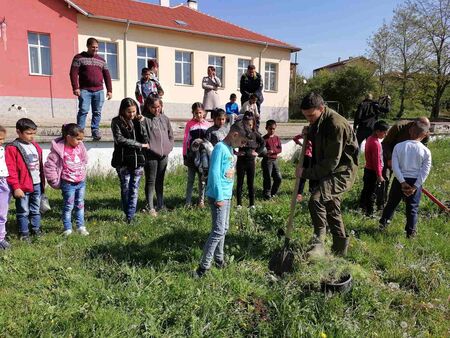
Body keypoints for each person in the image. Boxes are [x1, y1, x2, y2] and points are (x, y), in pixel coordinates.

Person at [297, 93, 358, 258]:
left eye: (311, 115)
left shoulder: (335, 124)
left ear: (321, 108)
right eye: (306, 116)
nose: (309, 119)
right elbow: (321, 139)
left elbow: (332, 161)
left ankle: (319, 244)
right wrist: (309, 132)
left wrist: (307, 173)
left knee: (316, 199)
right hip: (330, 169)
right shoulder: (319, 121)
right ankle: (340, 252)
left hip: (342, 171)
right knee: (331, 207)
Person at [194, 123, 248, 278]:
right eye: (242, 142)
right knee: (217, 231)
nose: (242, 145)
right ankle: (203, 267)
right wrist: (218, 197)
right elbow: (215, 174)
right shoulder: (219, 148)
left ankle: (219, 259)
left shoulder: (230, 149)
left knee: (223, 228)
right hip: (219, 196)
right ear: (234, 135)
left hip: (226, 194)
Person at [379, 121, 432, 238]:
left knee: (392, 203)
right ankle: (410, 232)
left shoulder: (399, 146)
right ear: (424, 135)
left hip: (399, 179)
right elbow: (425, 171)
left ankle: (383, 223)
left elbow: (395, 166)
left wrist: (402, 182)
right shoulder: (426, 151)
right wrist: (415, 186)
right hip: (415, 181)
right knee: (412, 207)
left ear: (410, 131)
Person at [44, 124, 89, 236]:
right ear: (68, 137)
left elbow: (84, 159)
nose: (80, 141)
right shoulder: (58, 150)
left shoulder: (80, 147)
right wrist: (54, 181)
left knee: (80, 204)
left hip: (81, 182)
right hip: (68, 184)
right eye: (78, 139)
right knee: (68, 206)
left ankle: (81, 226)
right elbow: (50, 166)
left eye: (81, 139)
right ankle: (67, 228)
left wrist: (82, 171)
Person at [5, 118, 45, 241]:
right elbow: (10, 170)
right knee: (23, 210)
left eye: (34, 133)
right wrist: (16, 187)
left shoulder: (35, 146)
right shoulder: (12, 148)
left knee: (36, 209)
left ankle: (35, 229)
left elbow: (39, 166)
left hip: (36, 184)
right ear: (18, 132)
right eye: (28, 133)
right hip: (22, 186)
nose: (32, 136)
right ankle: (24, 233)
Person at [378, 117, 431, 209]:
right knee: (385, 177)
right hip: (391, 154)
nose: (425, 131)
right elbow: (385, 144)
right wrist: (390, 159)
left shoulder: (425, 132)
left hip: (407, 160)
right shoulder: (399, 127)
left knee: (410, 179)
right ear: (414, 125)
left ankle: (406, 201)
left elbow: (422, 150)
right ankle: (381, 203)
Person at [111, 98, 149, 222]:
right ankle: (128, 213)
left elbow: (145, 139)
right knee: (126, 187)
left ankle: (130, 216)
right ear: (122, 111)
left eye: (134, 111)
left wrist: (142, 123)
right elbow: (120, 140)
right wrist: (139, 145)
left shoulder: (138, 121)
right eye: (129, 112)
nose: (132, 114)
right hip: (122, 160)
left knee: (135, 188)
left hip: (138, 161)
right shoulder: (116, 122)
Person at [70, 37, 112, 141]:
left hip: (99, 90)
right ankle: (79, 131)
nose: (95, 49)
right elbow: (73, 73)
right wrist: (76, 87)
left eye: (97, 47)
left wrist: (109, 90)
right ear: (88, 46)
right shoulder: (79, 58)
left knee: (97, 111)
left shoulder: (102, 60)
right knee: (83, 110)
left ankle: (95, 130)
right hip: (85, 90)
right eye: (93, 47)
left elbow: (107, 75)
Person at [141, 96, 174, 216]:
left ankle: (160, 204)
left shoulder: (165, 119)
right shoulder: (144, 120)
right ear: (148, 107)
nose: (156, 110)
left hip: (164, 155)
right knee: (151, 180)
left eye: (158, 107)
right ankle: (150, 207)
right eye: (153, 107)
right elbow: (143, 137)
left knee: (160, 180)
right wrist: (148, 148)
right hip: (151, 155)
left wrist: (169, 147)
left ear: (161, 106)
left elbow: (170, 135)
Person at [358, 120, 389, 217]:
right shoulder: (376, 143)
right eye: (384, 132)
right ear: (377, 131)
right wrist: (379, 175)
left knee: (366, 190)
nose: (385, 134)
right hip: (373, 171)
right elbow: (377, 161)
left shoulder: (369, 139)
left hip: (368, 169)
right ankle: (370, 212)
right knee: (372, 192)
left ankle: (362, 206)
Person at [183, 102, 211, 207]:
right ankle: (188, 202)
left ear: (204, 112)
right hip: (191, 155)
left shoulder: (208, 125)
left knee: (202, 180)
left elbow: (209, 142)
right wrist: (184, 155)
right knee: (190, 179)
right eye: (196, 113)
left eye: (200, 112)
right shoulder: (190, 124)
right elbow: (186, 140)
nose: (198, 115)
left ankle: (201, 201)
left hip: (203, 157)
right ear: (193, 113)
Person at [236, 112, 265, 208]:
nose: (248, 126)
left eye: (250, 124)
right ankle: (239, 204)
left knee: (250, 183)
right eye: (246, 124)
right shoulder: (239, 134)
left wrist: (257, 152)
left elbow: (263, 143)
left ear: (253, 125)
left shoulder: (255, 134)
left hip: (250, 162)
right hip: (241, 161)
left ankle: (252, 204)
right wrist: (235, 152)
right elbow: (229, 142)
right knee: (239, 183)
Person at [261, 120, 282, 200]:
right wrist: (265, 153)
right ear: (266, 128)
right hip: (267, 161)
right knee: (267, 178)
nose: (272, 130)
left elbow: (280, 149)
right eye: (270, 128)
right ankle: (267, 195)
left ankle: (273, 193)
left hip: (274, 160)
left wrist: (273, 151)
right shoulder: (263, 139)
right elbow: (259, 152)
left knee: (278, 178)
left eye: (273, 128)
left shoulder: (277, 138)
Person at [293, 126, 313, 203]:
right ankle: (299, 193)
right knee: (303, 175)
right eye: (303, 132)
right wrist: (302, 145)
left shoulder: (313, 137)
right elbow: (295, 138)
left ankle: (311, 191)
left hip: (313, 157)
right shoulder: (304, 136)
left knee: (312, 174)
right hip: (306, 156)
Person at [0, 126, 10, 249]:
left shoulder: (3, 150)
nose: (1, 141)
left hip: (3, 182)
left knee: (2, 213)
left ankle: (1, 237)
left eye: (3, 139)